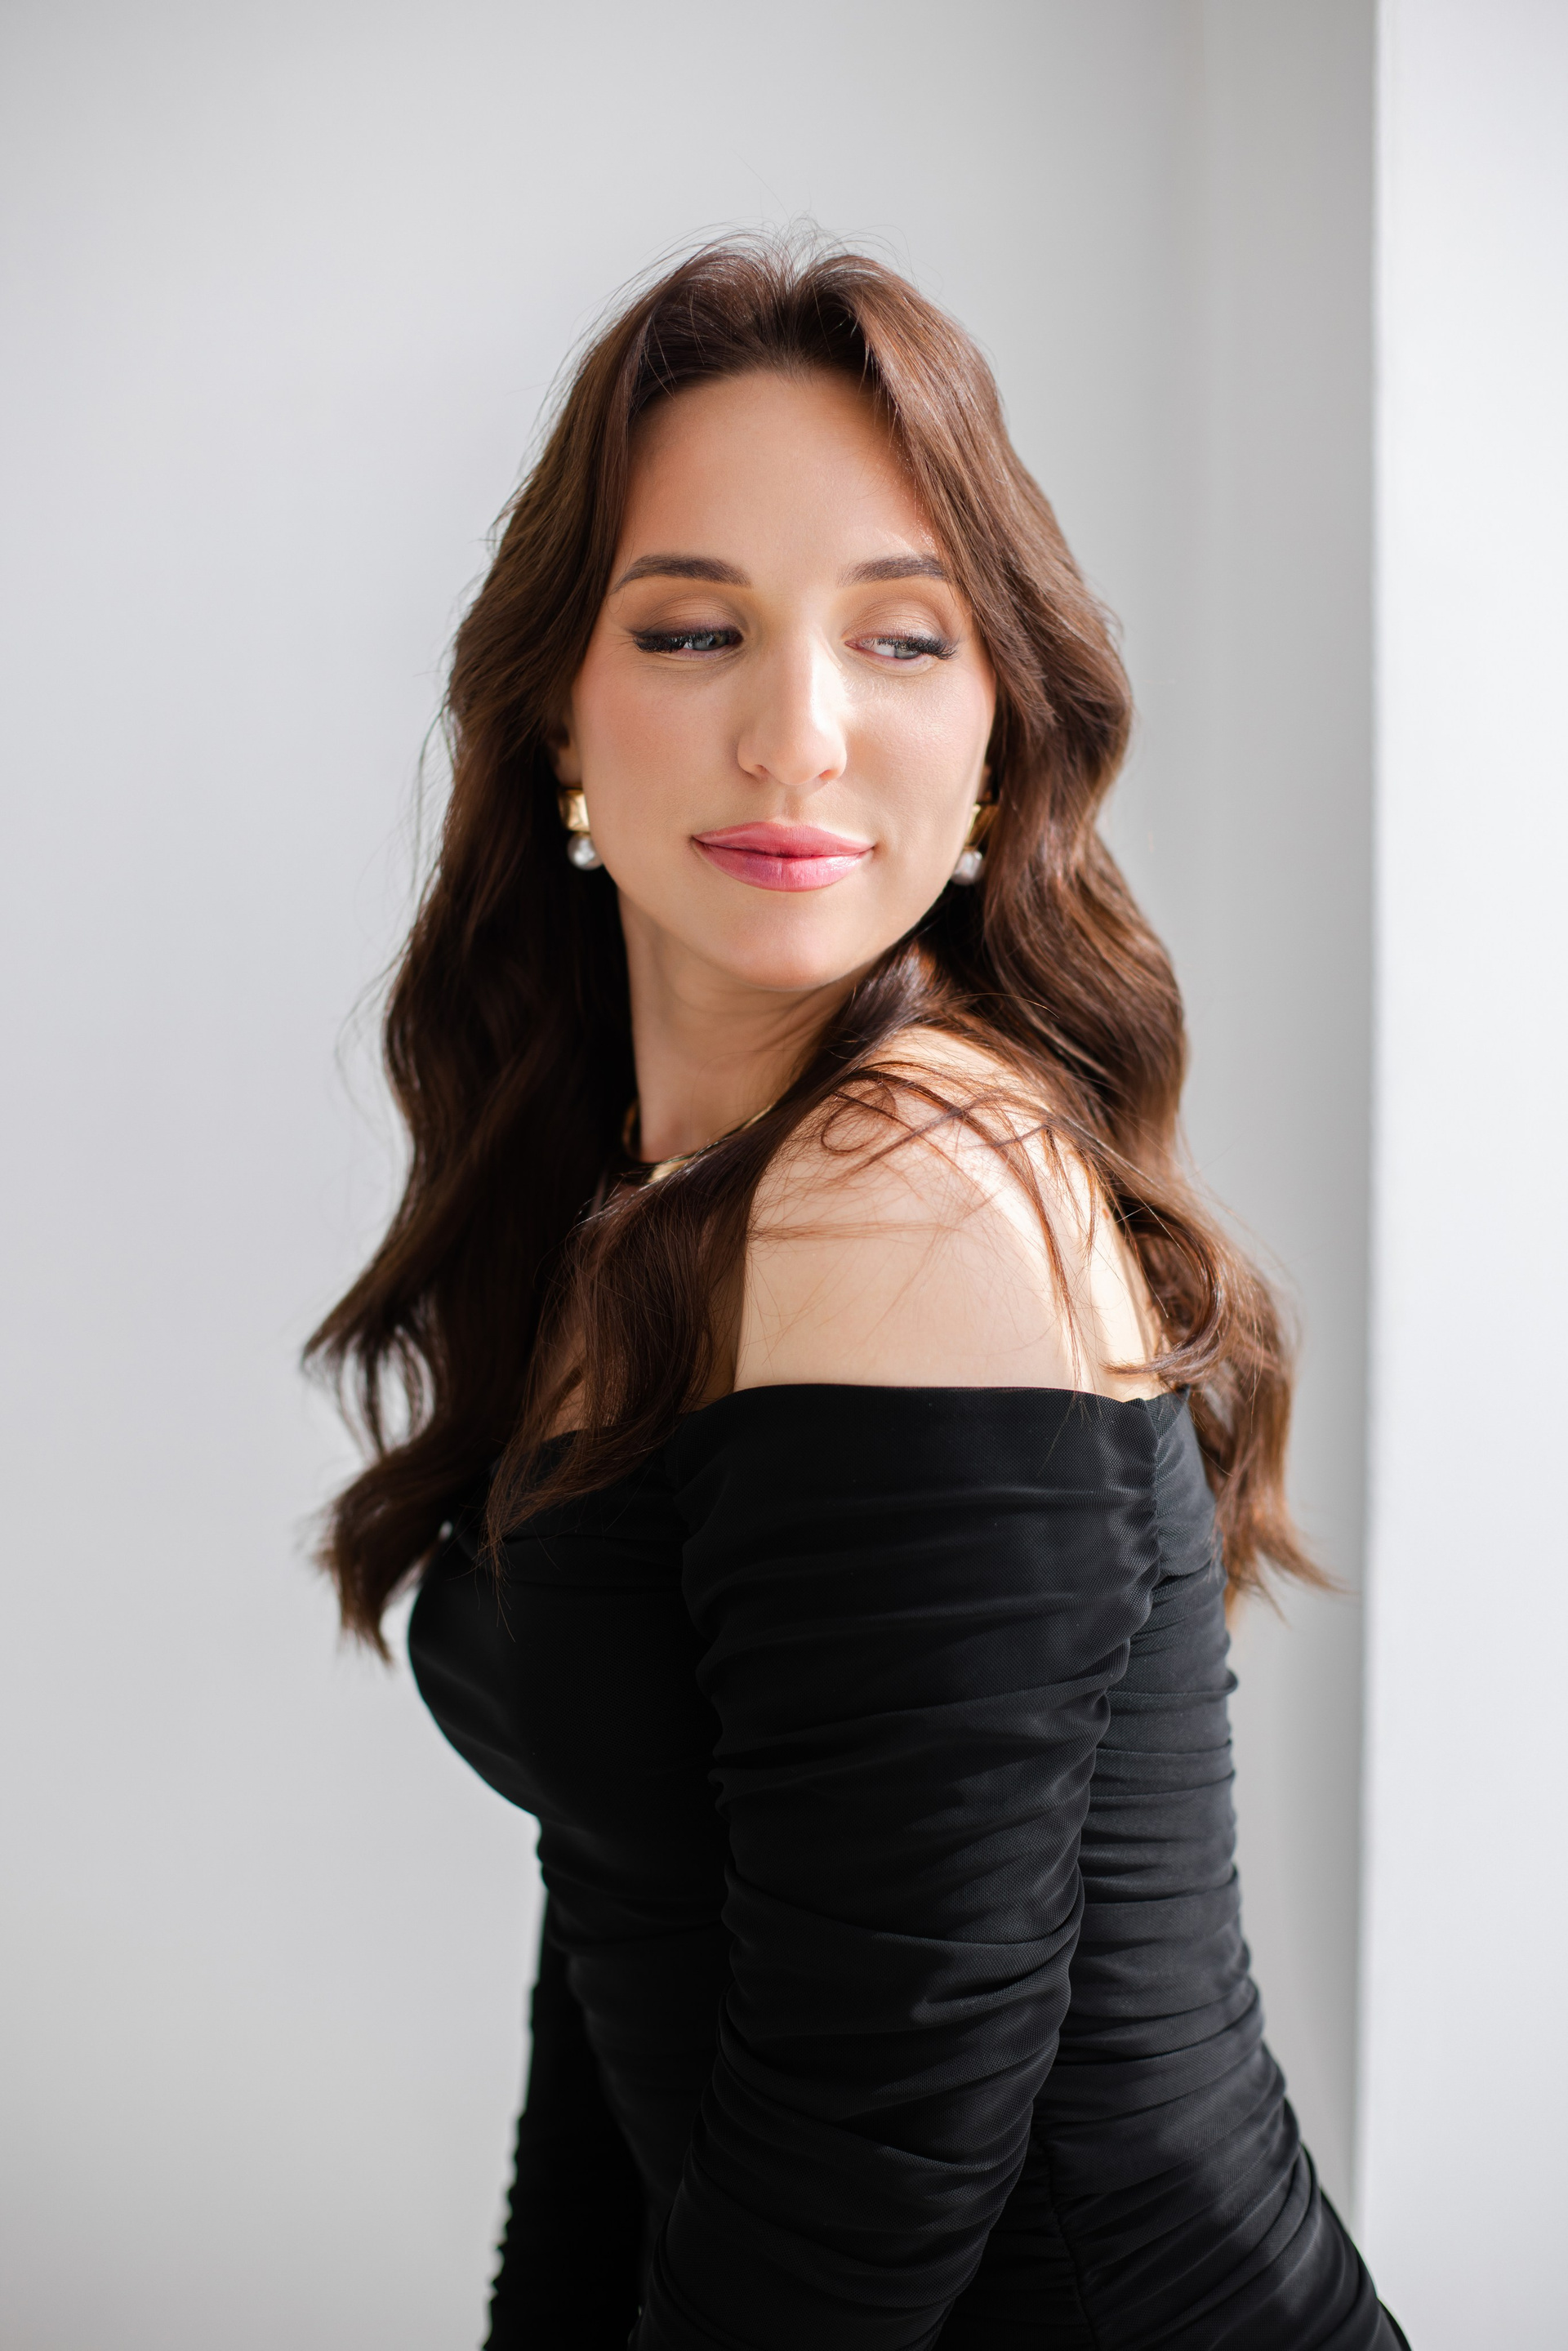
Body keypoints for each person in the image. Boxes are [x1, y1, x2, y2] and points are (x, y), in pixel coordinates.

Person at [308, 238, 1405, 2349]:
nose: (795, 736)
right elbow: (627, 1944)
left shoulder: (898, 1190)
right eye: (694, 629)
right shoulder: (661, 1201)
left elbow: (871, 2153)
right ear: (559, 712)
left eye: (902, 639)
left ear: (996, 743)